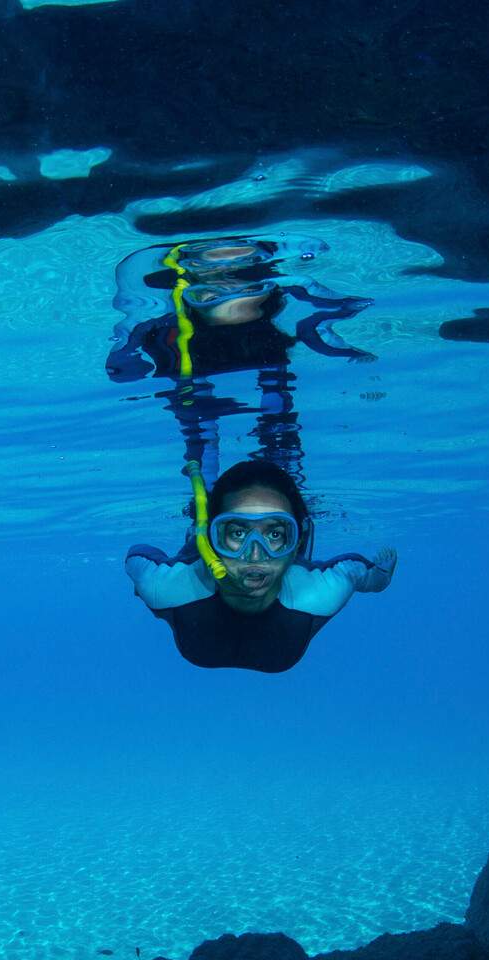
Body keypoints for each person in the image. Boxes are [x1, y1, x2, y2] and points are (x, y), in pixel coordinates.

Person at [106, 237, 374, 487]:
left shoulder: (279, 298)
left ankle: (268, 454)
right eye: (212, 273)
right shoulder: (166, 327)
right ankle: (221, 471)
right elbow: (317, 324)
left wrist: (345, 342)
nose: (228, 282)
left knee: (214, 413)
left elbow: (317, 321)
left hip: (239, 348)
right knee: (208, 415)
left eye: (244, 271)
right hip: (206, 351)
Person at [125, 458, 396, 673]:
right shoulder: (165, 586)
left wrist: (381, 578)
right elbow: (137, 559)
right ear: (211, 536)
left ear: (297, 542)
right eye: (237, 533)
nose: (255, 556)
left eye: (276, 534)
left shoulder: (321, 591)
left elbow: (365, 576)